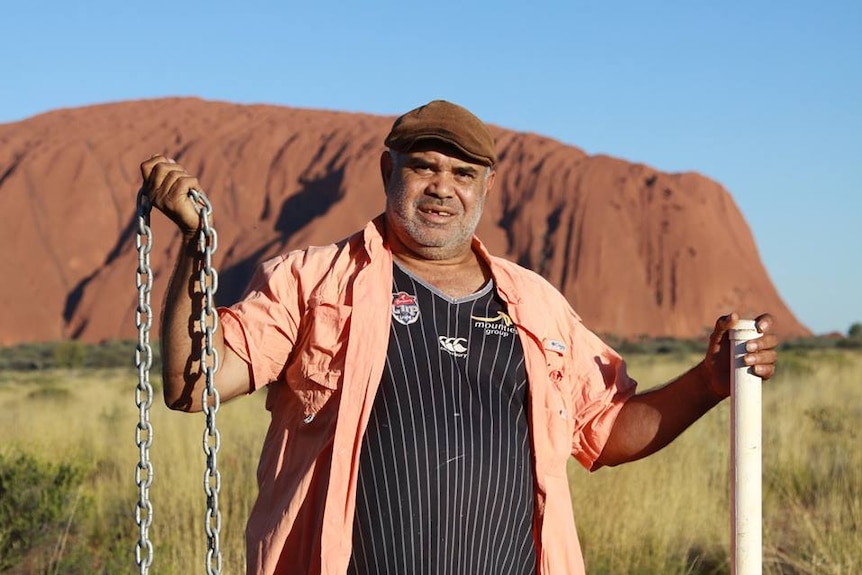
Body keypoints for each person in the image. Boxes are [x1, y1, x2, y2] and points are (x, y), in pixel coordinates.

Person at [140, 99, 778, 575]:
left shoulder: (537, 305)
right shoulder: (311, 281)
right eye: (424, 167)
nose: (443, 187)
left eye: (463, 173)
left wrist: (708, 384)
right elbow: (191, 383)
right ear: (388, 170)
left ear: (487, 187)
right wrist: (195, 248)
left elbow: (605, 431)